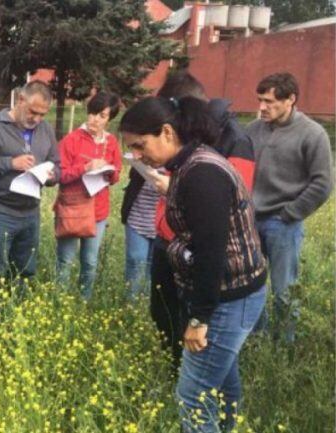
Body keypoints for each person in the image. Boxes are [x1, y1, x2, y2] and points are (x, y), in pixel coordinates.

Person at [120, 96, 267, 433]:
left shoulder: (202, 173)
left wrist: (200, 318)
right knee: (223, 378)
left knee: (192, 394)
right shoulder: (187, 166)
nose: (137, 156)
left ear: (167, 133)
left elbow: (211, 252)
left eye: (140, 145)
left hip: (229, 298)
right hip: (228, 294)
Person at [147, 70, 257, 368]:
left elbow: (231, 204)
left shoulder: (233, 140)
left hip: (200, 252)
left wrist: (173, 188)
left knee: (192, 326)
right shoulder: (184, 134)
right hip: (169, 239)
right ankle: (175, 371)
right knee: (164, 312)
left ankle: (188, 378)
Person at [247, 72, 333, 342]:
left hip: (282, 223)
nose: (262, 107)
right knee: (250, 286)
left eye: (269, 101)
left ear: (290, 100)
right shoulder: (253, 129)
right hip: (249, 220)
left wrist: (290, 214)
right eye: (260, 100)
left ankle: (284, 345)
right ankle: (256, 339)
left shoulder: (312, 133)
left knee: (284, 290)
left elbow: (322, 183)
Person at [0, 81, 60, 298]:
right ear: (20, 100)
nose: (36, 119)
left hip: (31, 213)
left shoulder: (46, 130)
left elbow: (57, 163)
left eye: (42, 114)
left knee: (26, 270)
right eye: (32, 112)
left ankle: (18, 316)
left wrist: (52, 175)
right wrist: (10, 163)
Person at [54, 91, 122, 298]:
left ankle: (84, 300)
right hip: (72, 207)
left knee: (90, 261)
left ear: (109, 119)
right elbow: (61, 175)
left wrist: (110, 172)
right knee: (65, 260)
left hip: (98, 210)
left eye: (101, 116)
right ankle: (60, 301)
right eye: (92, 113)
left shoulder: (111, 143)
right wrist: (85, 167)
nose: (94, 119)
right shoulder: (71, 140)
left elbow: (117, 173)